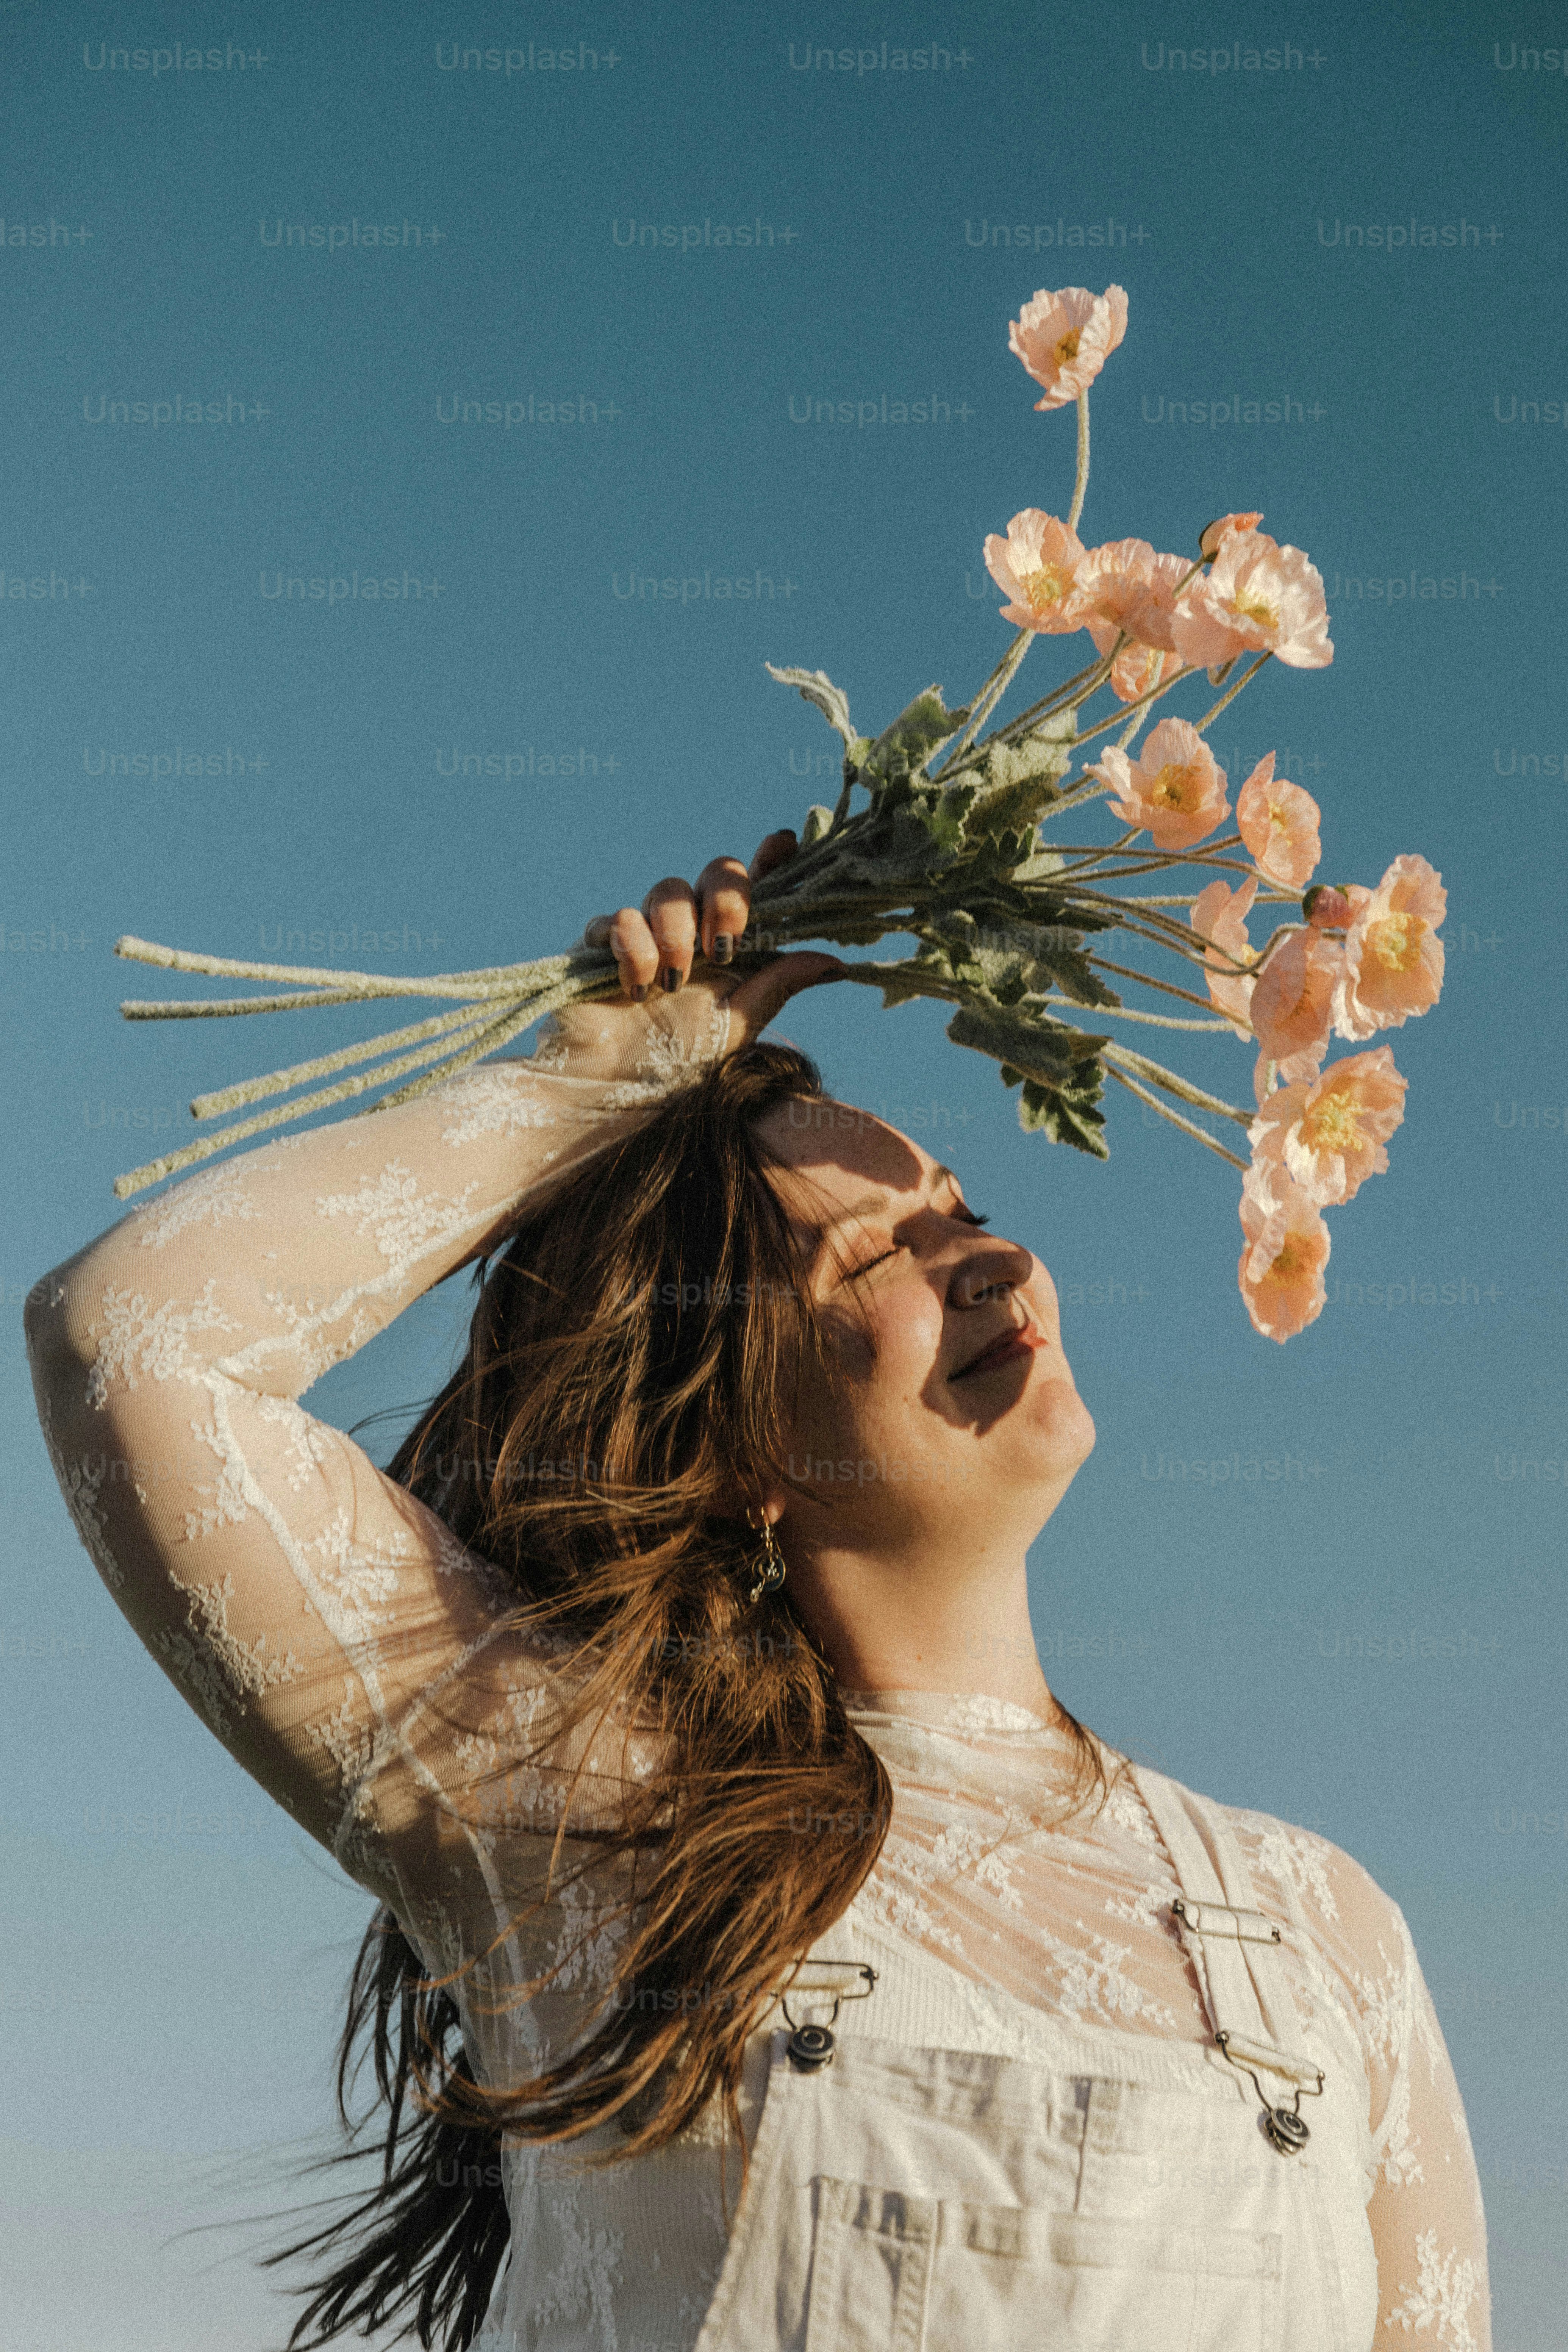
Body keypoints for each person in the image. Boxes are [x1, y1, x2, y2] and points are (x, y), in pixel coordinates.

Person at [25, 834, 1490, 2351]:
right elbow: (132, 1335)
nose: (987, 1260)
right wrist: (590, 1090)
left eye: (965, 1209)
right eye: (878, 1255)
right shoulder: (572, 1810)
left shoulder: (1323, 1931)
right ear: (733, 1448)